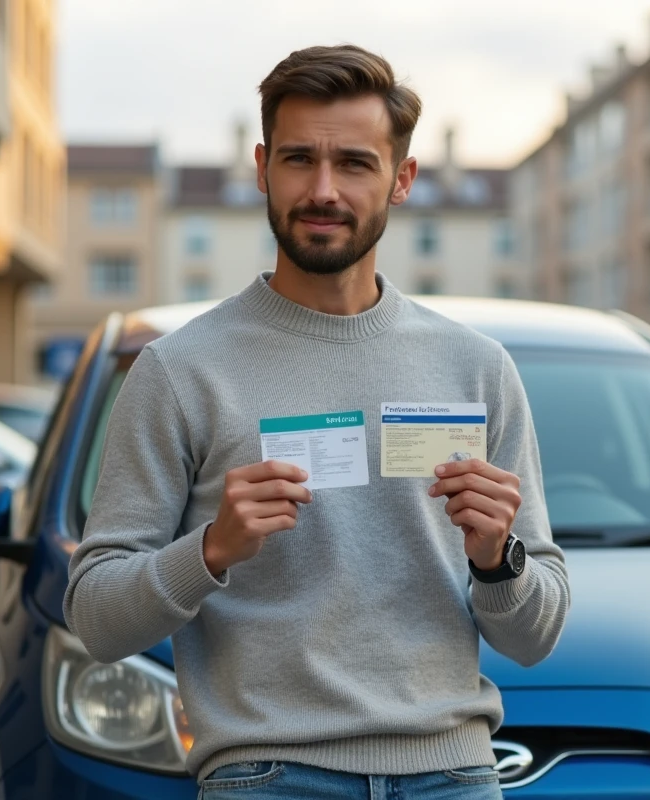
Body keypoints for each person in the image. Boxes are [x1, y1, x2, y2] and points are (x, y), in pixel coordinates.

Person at [63, 45, 570, 799]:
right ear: (262, 168)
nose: (323, 190)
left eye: (355, 164)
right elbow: (97, 619)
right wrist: (210, 550)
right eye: (299, 159)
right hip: (267, 776)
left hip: (454, 774)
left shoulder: (477, 367)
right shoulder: (179, 370)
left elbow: (536, 636)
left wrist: (498, 559)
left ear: (402, 179)